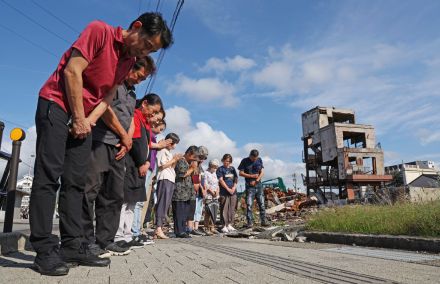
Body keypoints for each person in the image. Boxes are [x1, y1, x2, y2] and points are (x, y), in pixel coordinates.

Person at [29, 12, 173, 276]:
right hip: (57, 104)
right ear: (137, 27)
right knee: (48, 175)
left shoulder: (128, 61)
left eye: (151, 50)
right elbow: (73, 71)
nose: (145, 51)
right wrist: (79, 117)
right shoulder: (100, 31)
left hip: (84, 117)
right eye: (147, 45)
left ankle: (73, 245)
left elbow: (106, 96)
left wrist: (87, 121)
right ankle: (43, 248)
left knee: (75, 182)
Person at [82, 56, 156, 258]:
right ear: (131, 67)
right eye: (139, 76)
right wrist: (123, 136)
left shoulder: (132, 93)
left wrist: (127, 140)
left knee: (114, 194)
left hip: (120, 147)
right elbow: (105, 109)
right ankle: (85, 241)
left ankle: (106, 240)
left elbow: (130, 121)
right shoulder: (114, 82)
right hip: (101, 140)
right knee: (91, 190)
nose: (139, 81)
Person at [114, 94, 162, 248]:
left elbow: (146, 147)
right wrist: (142, 162)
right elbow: (133, 143)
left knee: (132, 204)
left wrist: (147, 161)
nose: (153, 116)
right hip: (132, 165)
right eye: (153, 111)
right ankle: (118, 234)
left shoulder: (145, 124)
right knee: (125, 202)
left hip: (141, 167)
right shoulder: (136, 116)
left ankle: (127, 235)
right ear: (145, 104)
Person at [154, 133, 182, 239]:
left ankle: (159, 227)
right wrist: (174, 160)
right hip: (164, 178)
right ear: (170, 142)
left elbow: (171, 166)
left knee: (166, 205)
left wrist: (175, 160)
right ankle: (158, 228)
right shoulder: (162, 150)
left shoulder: (169, 153)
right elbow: (162, 165)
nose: (174, 146)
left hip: (170, 178)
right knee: (162, 203)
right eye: (174, 144)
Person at [172, 146, 199, 238]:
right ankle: (179, 231)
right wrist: (192, 168)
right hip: (180, 192)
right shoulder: (181, 161)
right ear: (188, 154)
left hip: (188, 193)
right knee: (179, 213)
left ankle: (183, 230)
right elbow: (182, 174)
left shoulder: (190, 163)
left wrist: (194, 170)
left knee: (185, 213)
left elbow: (195, 177)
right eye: (194, 157)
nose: (195, 159)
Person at [238, 149, 268, 227]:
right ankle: (250, 222)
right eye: (253, 158)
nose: (254, 159)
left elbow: (262, 172)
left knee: (261, 203)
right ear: (250, 155)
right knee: (249, 204)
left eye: (256, 158)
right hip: (249, 186)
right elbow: (240, 173)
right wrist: (251, 176)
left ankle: (264, 221)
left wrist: (257, 180)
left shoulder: (259, 160)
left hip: (258, 185)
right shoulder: (244, 161)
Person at [216, 154, 238, 233]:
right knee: (224, 208)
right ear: (223, 160)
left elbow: (236, 178)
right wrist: (228, 189)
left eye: (228, 161)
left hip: (233, 192)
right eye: (226, 161)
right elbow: (221, 180)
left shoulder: (232, 169)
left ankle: (229, 224)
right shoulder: (220, 169)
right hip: (224, 192)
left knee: (232, 208)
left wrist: (234, 187)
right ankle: (224, 225)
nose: (227, 162)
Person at [190, 146, 208, 236]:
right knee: (194, 209)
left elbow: (203, 179)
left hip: (201, 192)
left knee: (199, 210)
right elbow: (196, 178)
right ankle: (192, 227)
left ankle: (196, 227)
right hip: (195, 190)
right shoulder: (194, 163)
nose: (203, 160)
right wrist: (201, 188)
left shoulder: (201, 166)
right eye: (202, 158)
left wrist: (205, 189)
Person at [204, 159, 220, 235]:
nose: (215, 168)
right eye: (214, 167)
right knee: (208, 212)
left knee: (214, 211)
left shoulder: (215, 173)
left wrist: (217, 191)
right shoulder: (206, 173)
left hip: (215, 195)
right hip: (209, 195)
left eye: (216, 167)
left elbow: (217, 184)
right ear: (210, 166)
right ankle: (206, 227)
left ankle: (212, 227)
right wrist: (211, 191)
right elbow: (205, 184)